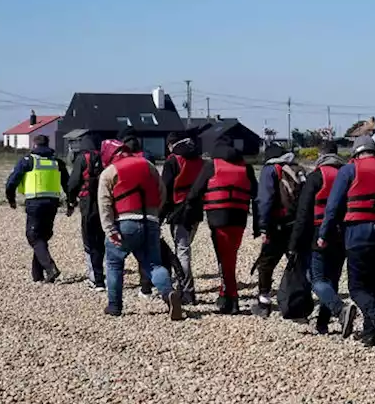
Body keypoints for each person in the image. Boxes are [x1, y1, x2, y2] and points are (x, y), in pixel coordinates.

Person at [318, 135, 375, 350]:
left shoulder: (349, 170)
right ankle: (369, 335)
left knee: (356, 288)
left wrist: (324, 233)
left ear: (356, 153)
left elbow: (333, 206)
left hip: (358, 232)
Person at [96, 133, 184, 320]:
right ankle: (169, 294)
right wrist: (154, 214)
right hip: (150, 221)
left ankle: (114, 306)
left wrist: (109, 229)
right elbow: (162, 192)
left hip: (124, 222)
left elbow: (104, 204)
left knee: (114, 264)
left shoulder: (110, 172)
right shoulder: (148, 165)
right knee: (153, 264)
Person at [181, 136, 258, 314]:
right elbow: (256, 194)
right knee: (230, 257)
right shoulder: (246, 167)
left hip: (218, 218)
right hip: (239, 218)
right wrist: (258, 225)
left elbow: (194, 193)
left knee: (224, 259)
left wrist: (187, 216)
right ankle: (227, 296)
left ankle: (231, 300)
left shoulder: (211, 166)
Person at [287, 141, 355, 335]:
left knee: (316, 278)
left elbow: (303, 212)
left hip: (319, 233)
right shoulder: (348, 174)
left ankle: (340, 309)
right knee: (332, 279)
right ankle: (323, 323)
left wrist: (294, 243)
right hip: (344, 233)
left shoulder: (317, 177)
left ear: (321, 155)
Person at [5, 134, 73, 283]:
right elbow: (68, 185)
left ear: (34, 145)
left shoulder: (28, 161)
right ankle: (38, 276)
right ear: (48, 145)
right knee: (42, 237)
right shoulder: (57, 162)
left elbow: (12, 182)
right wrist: (70, 203)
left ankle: (50, 268)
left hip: (34, 202)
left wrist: (11, 199)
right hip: (53, 203)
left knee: (34, 237)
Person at [250, 145, 307, 317]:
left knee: (266, 263)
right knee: (297, 263)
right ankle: (300, 302)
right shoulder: (298, 169)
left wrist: (263, 226)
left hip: (277, 224)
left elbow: (265, 200)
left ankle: (264, 302)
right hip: (297, 224)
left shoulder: (270, 170)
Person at [160, 131, 204, 304]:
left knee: (182, 251)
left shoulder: (173, 161)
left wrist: (161, 214)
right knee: (185, 247)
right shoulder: (199, 160)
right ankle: (184, 288)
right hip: (197, 210)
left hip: (178, 211)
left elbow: (165, 189)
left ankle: (187, 292)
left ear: (172, 144)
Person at [66, 136, 105, 290]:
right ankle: (105, 273)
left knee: (89, 239)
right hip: (103, 201)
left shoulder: (82, 158)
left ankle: (95, 277)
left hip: (87, 202)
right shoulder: (104, 158)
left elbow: (73, 182)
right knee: (102, 238)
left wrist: (71, 200)